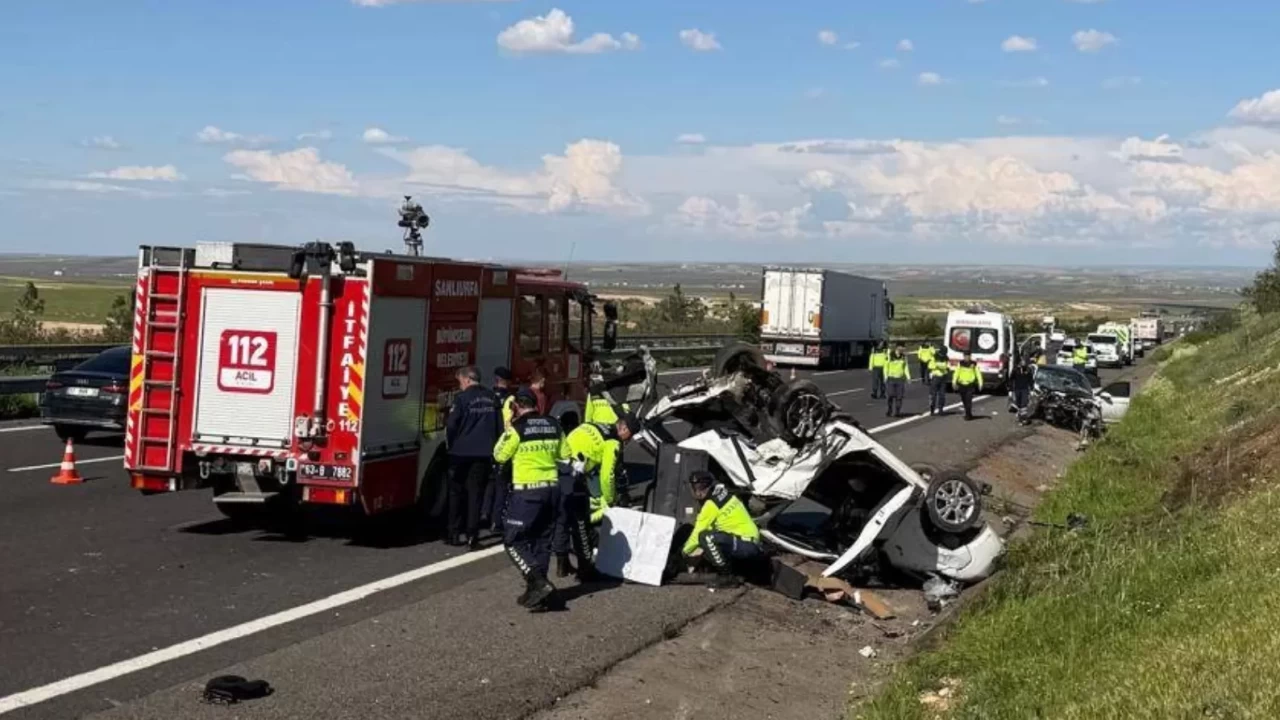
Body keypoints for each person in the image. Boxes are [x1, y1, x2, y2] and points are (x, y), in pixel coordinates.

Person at [493, 389, 565, 610]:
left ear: (516, 407)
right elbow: (565, 453)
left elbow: (499, 454)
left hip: (527, 493)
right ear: (536, 404)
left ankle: (538, 581)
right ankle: (538, 594)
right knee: (542, 541)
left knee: (513, 540)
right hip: (552, 490)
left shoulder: (517, 428)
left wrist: (507, 424)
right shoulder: (554, 425)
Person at [554, 413, 640, 578]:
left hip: (559, 467)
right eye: (630, 435)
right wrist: (610, 500)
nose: (628, 441)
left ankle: (562, 564)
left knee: (562, 519)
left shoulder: (595, 424)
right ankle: (585, 569)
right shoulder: (612, 442)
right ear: (624, 428)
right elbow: (607, 476)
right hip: (574, 473)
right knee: (581, 522)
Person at [445, 366, 500, 549]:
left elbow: (451, 425)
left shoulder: (462, 399)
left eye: (460, 381)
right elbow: (499, 427)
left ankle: (453, 534)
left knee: (456, 493)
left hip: (460, 453)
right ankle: (472, 536)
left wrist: (452, 444)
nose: (460, 385)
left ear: (467, 379)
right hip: (483, 454)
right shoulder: (492, 397)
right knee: (475, 495)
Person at [681, 471, 763, 588]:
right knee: (710, 536)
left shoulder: (711, 505)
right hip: (749, 541)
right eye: (695, 487)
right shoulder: (725, 493)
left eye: (698, 488)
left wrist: (684, 552)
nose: (696, 491)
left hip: (746, 545)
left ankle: (727, 576)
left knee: (706, 537)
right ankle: (734, 569)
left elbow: (697, 533)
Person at [482, 367, 516, 531]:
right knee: (502, 484)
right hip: (503, 444)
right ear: (507, 381)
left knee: (490, 481)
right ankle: (496, 521)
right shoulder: (510, 399)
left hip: (487, 443)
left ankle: (484, 512)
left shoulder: (487, 396)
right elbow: (509, 423)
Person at [952, 352, 984, 421]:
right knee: (964, 400)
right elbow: (956, 373)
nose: (967, 357)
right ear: (963, 356)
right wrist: (954, 382)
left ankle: (968, 415)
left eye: (968, 356)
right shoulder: (960, 364)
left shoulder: (973, 364)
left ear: (970, 356)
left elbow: (978, 374)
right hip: (962, 384)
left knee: (968, 400)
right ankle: (968, 413)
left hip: (970, 385)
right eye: (965, 356)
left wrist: (980, 383)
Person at [882, 344, 912, 417]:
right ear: (897, 348)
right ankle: (889, 409)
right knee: (890, 395)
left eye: (903, 348)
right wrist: (885, 377)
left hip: (900, 379)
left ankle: (897, 411)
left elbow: (906, 367)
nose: (902, 349)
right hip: (891, 378)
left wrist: (908, 377)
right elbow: (886, 366)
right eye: (901, 347)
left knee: (899, 396)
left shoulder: (904, 357)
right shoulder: (890, 355)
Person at [926, 346, 950, 416]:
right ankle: (932, 409)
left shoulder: (946, 358)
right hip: (935, 377)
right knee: (933, 395)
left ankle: (940, 409)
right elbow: (930, 366)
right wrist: (939, 366)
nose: (943, 354)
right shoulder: (934, 357)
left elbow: (947, 367)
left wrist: (940, 367)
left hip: (943, 378)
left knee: (942, 395)